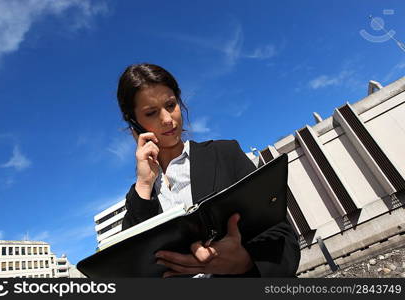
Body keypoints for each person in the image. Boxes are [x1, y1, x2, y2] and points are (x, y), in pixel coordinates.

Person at [116, 63, 300, 277]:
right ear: (135, 125)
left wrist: (247, 262)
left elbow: (283, 235)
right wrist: (145, 183)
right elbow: (132, 271)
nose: (167, 119)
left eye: (171, 105)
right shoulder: (139, 195)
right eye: (151, 113)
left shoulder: (224, 154)